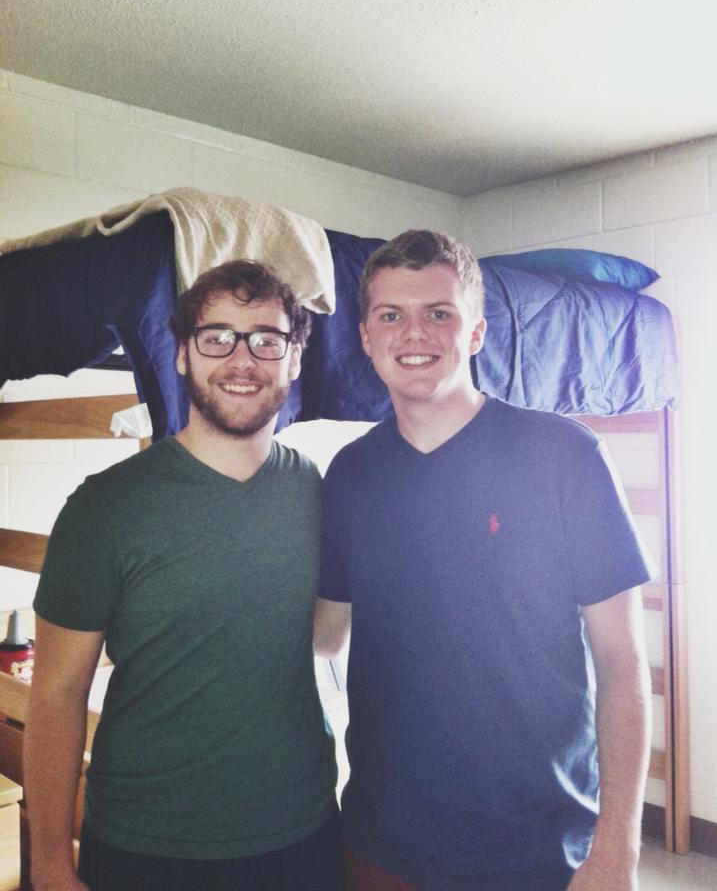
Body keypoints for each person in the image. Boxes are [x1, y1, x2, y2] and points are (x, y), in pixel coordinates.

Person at [314, 230, 654, 891]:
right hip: (385, 841)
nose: (414, 332)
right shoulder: (350, 475)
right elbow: (325, 633)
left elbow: (621, 660)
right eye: (391, 315)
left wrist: (617, 846)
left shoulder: (563, 457)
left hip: (540, 846)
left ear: (473, 332)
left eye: (438, 312)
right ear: (364, 337)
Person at [24, 260, 341, 891]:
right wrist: (53, 864)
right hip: (147, 850)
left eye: (266, 339)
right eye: (217, 336)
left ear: (295, 359)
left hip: (302, 836)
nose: (242, 358)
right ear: (181, 356)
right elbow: (56, 695)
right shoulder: (105, 507)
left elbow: (326, 638)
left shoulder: (316, 490)